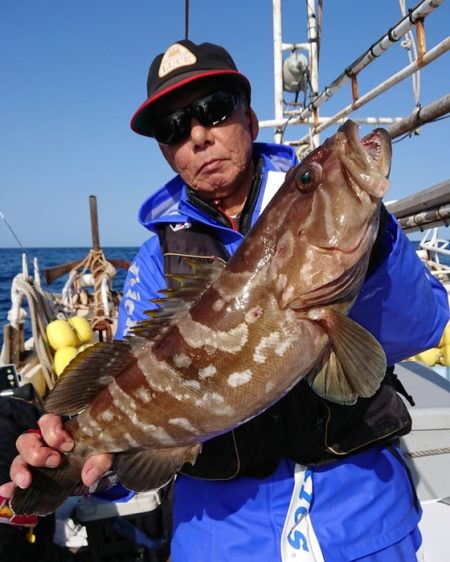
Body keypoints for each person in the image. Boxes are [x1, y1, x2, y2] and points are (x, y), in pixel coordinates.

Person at [1, 39, 449, 562]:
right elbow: (130, 469)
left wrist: (374, 247)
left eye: (213, 109)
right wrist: (79, 465)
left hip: (366, 518)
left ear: (250, 118)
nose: (197, 134)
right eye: (172, 127)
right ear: (166, 151)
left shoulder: (350, 224)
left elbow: (420, 329)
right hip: (220, 539)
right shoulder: (154, 262)